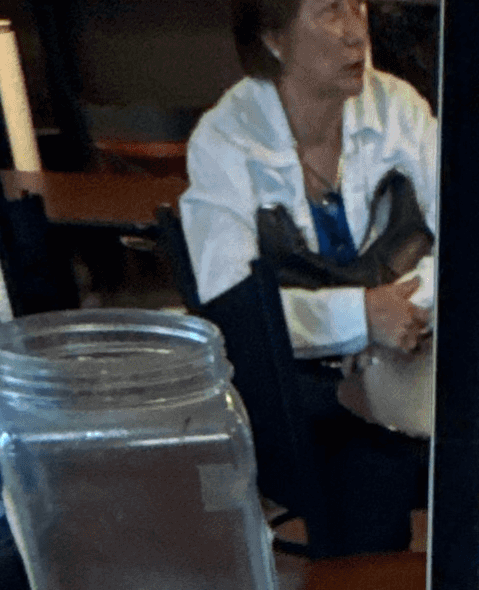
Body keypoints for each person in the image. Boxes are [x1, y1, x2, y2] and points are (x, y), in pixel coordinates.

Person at [180, 0, 437, 555]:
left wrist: (411, 306)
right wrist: (358, 317)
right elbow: (233, 313)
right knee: (367, 472)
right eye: (330, 12)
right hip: (293, 391)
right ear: (274, 38)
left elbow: (466, 238)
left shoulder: (398, 107)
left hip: (408, 353)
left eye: (358, 6)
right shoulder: (223, 139)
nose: (356, 33)